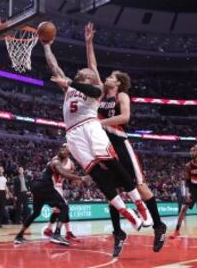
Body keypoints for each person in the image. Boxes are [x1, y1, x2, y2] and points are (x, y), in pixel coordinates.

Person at [42, 38, 153, 238]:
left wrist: (68, 81)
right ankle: (128, 213)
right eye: (82, 71)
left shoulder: (98, 90)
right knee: (97, 175)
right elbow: (54, 66)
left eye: (85, 71)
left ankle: (140, 206)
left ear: (92, 77)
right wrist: (47, 46)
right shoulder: (70, 87)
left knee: (112, 164)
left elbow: (91, 86)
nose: (82, 70)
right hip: (73, 134)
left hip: (90, 127)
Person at [84, 22, 166, 256]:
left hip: (120, 142)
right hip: (105, 146)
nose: (107, 77)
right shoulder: (100, 94)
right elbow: (92, 66)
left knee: (140, 186)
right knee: (111, 191)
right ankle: (118, 234)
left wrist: (100, 123)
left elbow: (126, 117)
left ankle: (159, 226)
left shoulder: (122, 95)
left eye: (111, 76)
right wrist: (89, 42)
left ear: (118, 82)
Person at [14, 155, 88, 246]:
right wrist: (80, 178)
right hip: (46, 186)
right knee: (64, 207)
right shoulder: (56, 162)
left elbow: (67, 176)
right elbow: (65, 174)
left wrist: (77, 176)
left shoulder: (58, 162)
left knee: (36, 213)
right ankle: (56, 234)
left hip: (37, 186)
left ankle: (19, 235)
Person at [43, 144, 79, 241]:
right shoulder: (55, 159)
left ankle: (51, 229)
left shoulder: (71, 163)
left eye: (66, 148)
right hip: (52, 186)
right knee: (64, 208)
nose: (64, 149)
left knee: (60, 209)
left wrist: (74, 180)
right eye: (63, 148)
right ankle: (63, 232)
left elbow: (71, 177)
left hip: (59, 187)